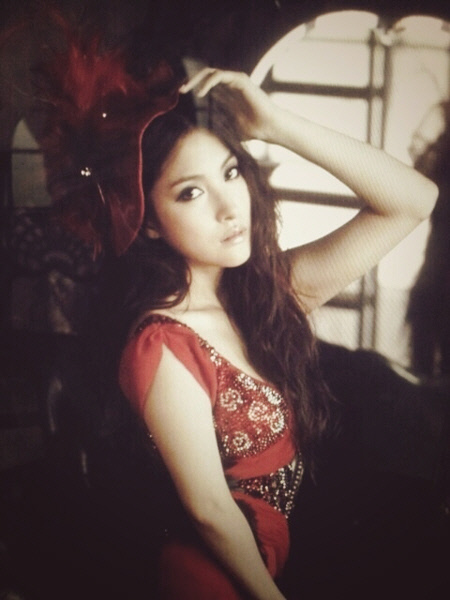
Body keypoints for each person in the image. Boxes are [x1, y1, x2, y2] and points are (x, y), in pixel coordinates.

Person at [115, 68, 438, 599]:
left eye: (231, 173)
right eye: (191, 193)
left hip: (268, 565)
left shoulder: (263, 297)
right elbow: (210, 509)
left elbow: (414, 200)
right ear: (149, 222)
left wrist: (276, 125)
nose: (228, 208)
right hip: (212, 579)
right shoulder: (162, 342)